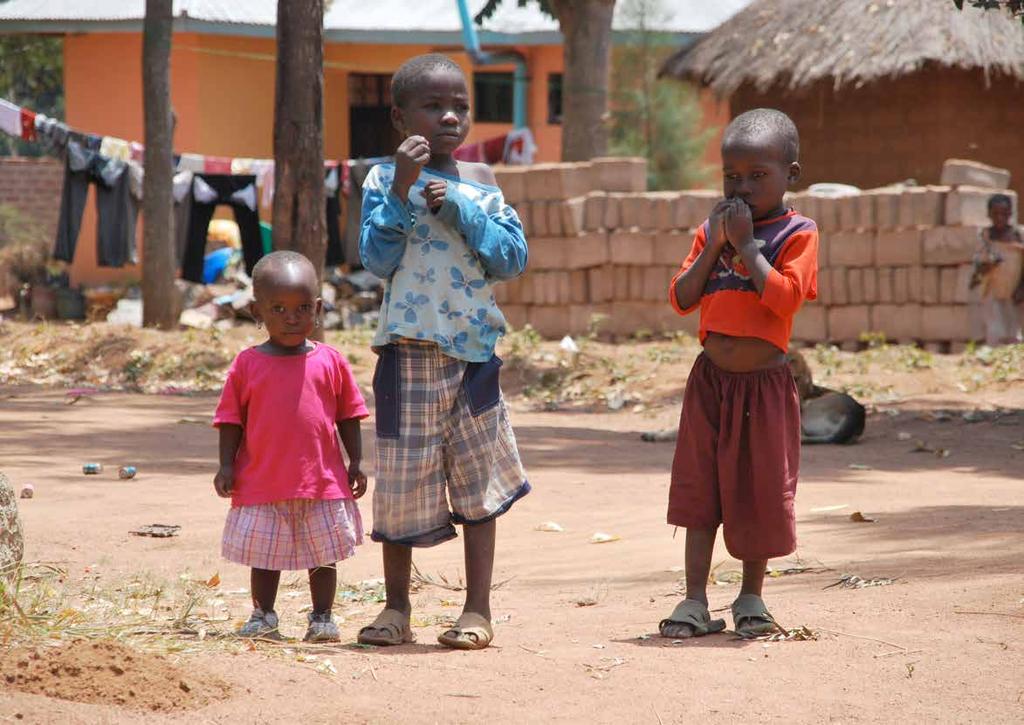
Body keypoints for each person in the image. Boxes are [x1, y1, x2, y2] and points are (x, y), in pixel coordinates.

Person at [357, 53, 529, 650]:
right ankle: (396, 606)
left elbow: (511, 260)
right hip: (407, 355)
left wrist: (458, 208)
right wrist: (403, 192)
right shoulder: (382, 182)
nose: (450, 116)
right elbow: (376, 259)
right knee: (401, 482)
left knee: (478, 482)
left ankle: (476, 609)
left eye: (460, 106)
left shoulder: (482, 184)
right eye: (434, 106)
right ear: (401, 117)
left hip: (475, 356)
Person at [660, 109, 818, 639]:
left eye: (758, 176)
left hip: (764, 386)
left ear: (790, 174)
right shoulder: (711, 229)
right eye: (732, 176)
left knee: (759, 491)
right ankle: (694, 601)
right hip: (710, 383)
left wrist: (749, 247)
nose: (743, 187)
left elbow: (786, 299)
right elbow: (683, 298)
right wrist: (718, 245)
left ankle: (751, 597)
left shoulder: (799, 233)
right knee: (700, 491)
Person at [213, 250, 369, 642]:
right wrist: (226, 466)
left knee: (323, 555)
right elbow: (230, 419)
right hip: (263, 481)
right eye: (278, 308)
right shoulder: (247, 365)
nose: (291, 317)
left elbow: (348, 415)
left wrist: (357, 462)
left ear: (317, 309)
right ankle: (263, 614)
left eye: (302, 308)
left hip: (321, 480)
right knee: (265, 556)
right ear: (257, 311)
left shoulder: (331, 361)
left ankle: (322, 618)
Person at [969, 193, 1023, 345]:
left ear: (1010, 214)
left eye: (1004, 214)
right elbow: (977, 267)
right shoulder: (985, 236)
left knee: (1014, 332)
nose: (999, 217)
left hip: (1015, 291)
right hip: (992, 291)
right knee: (995, 331)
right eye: (995, 214)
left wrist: (1021, 288)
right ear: (989, 214)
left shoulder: (1018, 235)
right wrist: (989, 265)